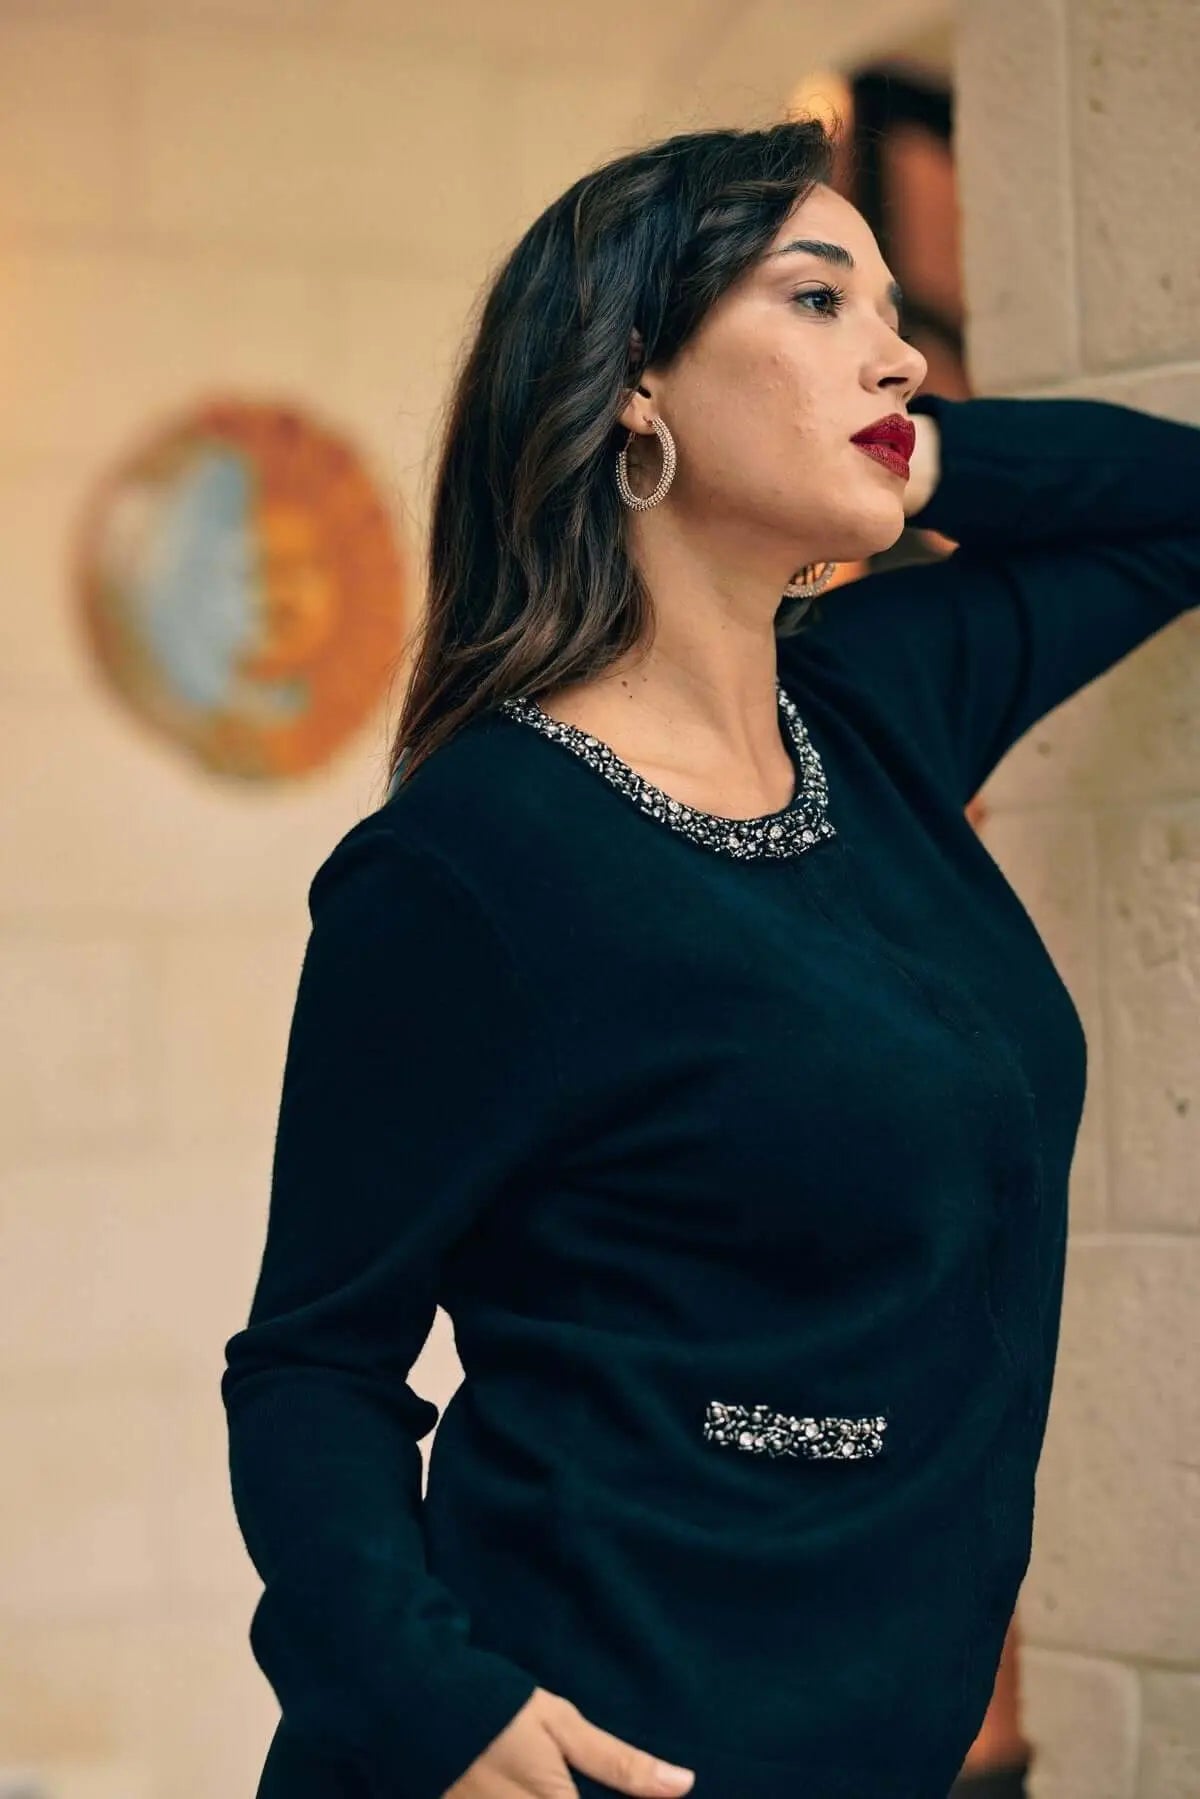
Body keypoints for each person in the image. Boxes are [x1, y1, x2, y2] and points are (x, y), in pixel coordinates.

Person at [221, 118, 1199, 1799]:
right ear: (634, 383)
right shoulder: (473, 860)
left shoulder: (877, 705)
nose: (895, 351)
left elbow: (1180, 505)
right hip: (568, 1737)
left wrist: (911, 455)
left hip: (865, 1746)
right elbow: (313, 1359)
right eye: (816, 300)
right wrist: (425, 1699)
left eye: (890, 311)